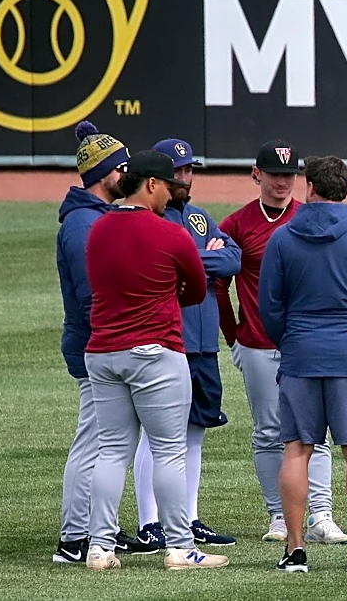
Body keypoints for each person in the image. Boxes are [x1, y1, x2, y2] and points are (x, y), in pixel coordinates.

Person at [83, 150, 228, 571]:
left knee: (111, 451)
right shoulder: (170, 233)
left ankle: (99, 548)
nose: (171, 195)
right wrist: (169, 295)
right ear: (150, 184)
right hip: (155, 351)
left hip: (103, 352)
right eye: (168, 186)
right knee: (169, 451)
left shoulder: (98, 229)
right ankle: (181, 548)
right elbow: (198, 290)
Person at [258, 155, 347, 573]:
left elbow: (270, 307)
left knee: (297, 449)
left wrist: (293, 341)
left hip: (300, 353)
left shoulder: (281, 238)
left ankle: (295, 549)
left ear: (310, 188)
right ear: (346, 190)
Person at [216, 140, 347, 544]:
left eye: (290, 175)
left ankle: (322, 516)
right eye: (274, 174)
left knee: (318, 430)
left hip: (307, 342)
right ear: (256, 174)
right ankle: (279, 515)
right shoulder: (237, 224)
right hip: (258, 342)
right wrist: (233, 337)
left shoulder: (310, 218)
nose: (282, 182)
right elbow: (218, 285)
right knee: (268, 431)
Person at [133, 138, 241, 550]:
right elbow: (168, 263)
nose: (184, 177)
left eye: (188, 169)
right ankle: (150, 522)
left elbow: (232, 259)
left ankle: (190, 517)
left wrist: (192, 256)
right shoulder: (150, 218)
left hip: (202, 342)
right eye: (177, 171)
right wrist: (200, 256)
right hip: (165, 339)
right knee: (156, 434)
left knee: (196, 431)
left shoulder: (198, 218)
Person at [53, 121, 144, 563]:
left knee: (109, 441)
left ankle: (96, 529)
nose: (126, 173)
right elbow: (94, 296)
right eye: (121, 167)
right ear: (102, 175)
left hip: (103, 342)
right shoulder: (82, 226)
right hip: (96, 344)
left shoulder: (96, 219)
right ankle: (74, 539)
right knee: (95, 441)